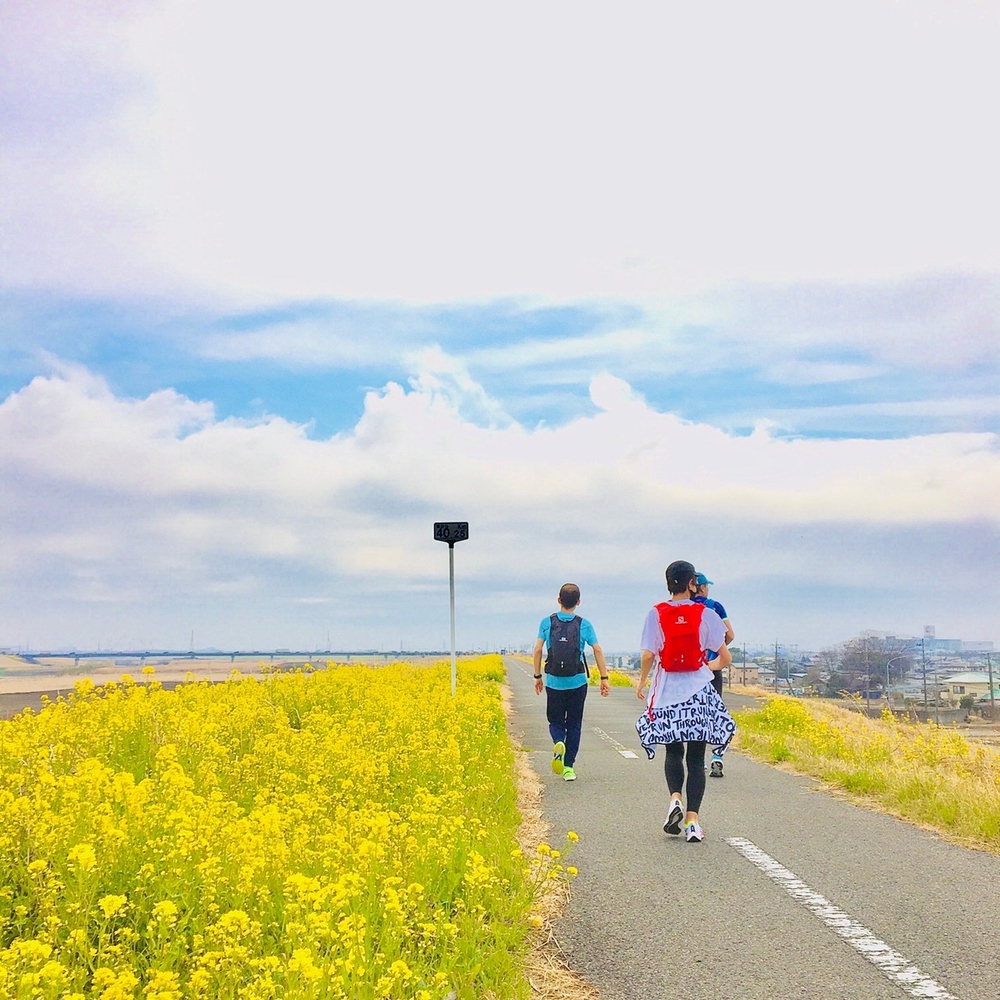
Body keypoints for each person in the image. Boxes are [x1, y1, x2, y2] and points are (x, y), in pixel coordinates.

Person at [635, 561, 736, 842]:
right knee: (696, 757)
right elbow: (725, 658)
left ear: (668, 583)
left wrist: (642, 681)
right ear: (692, 583)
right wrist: (706, 668)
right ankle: (693, 822)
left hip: (667, 693)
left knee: (673, 752)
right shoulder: (706, 614)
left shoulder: (655, 613)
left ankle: (675, 799)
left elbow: (648, 655)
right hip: (699, 693)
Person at [533, 583, 609, 781]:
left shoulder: (547, 622)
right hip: (577, 682)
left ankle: (559, 741)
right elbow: (597, 649)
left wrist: (538, 676)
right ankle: (568, 768)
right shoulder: (584, 624)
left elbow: (538, 650)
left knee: (555, 721)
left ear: (559, 600)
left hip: (554, 682)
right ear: (578, 602)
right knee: (574, 724)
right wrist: (604, 678)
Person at [692, 572, 734, 778]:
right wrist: (718, 649)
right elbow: (730, 634)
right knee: (715, 712)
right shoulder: (715, 607)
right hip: (713, 667)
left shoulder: (682, 607)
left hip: (690, 670)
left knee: (694, 714)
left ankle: (698, 760)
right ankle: (717, 756)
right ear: (702, 587)